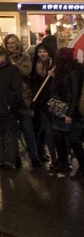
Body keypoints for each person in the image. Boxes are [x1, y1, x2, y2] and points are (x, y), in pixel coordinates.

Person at [3, 34, 42, 168]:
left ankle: (34, 157)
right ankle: (15, 157)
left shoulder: (24, 57)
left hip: (23, 98)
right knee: (12, 131)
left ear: (18, 43)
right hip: (9, 99)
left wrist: (14, 66)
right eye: (9, 43)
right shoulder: (4, 58)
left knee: (28, 129)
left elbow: (26, 71)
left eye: (13, 43)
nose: (11, 45)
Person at [48, 47, 84, 178]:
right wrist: (54, 77)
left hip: (69, 110)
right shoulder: (61, 71)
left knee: (73, 140)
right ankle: (63, 163)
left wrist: (70, 113)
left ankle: (82, 166)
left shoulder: (74, 72)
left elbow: (75, 94)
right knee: (58, 137)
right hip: (59, 108)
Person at [30, 43, 56, 169]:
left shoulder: (54, 65)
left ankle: (52, 157)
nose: (42, 54)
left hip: (51, 102)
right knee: (39, 129)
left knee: (48, 131)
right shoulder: (35, 65)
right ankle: (39, 152)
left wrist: (53, 76)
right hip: (38, 102)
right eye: (40, 52)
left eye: (44, 51)